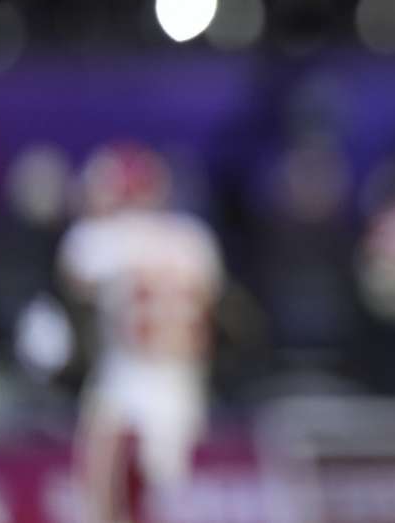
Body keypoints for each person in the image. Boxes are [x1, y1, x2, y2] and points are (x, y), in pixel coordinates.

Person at [57, 143, 223, 523]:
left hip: (126, 383)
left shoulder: (97, 240)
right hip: (182, 387)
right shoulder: (195, 240)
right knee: (169, 502)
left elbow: (74, 277)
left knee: (105, 504)